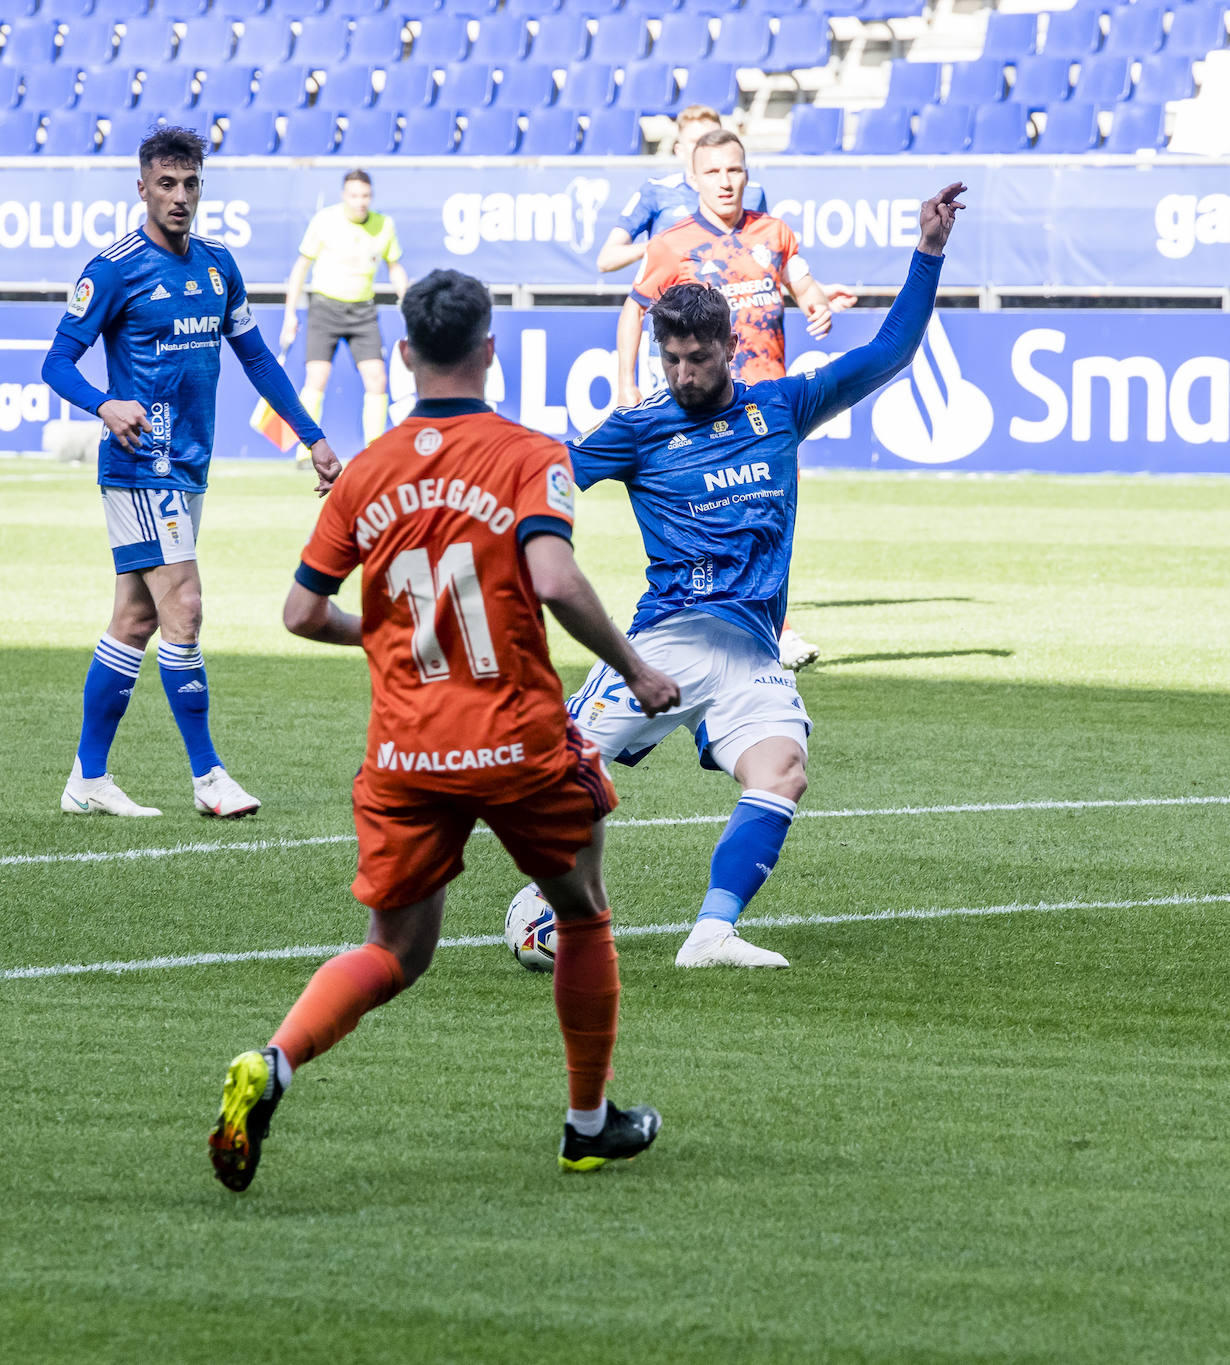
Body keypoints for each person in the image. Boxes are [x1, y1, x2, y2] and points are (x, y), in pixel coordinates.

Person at [208, 268, 681, 1192]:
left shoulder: (366, 473)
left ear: (410, 356)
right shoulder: (529, 454)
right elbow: (551, 577)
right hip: (517, 741)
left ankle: (275, 1060)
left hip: (407, 749)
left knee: (393, 950)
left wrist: (381, 632)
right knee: (581, 911)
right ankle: (588, 1123)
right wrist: (635, 668)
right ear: (490, 349)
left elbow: (301, 613)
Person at [560, 183, 965, 968]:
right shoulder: (639, 429)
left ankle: (711, 932)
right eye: (670, 358)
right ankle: (544, 901)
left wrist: (929, 253)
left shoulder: (780, 407)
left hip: (750, 649)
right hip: (664, 638)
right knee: (563, 768)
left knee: (783, 767)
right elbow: (544, 480)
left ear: (728, 347)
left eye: (697, 357)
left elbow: (890, 354)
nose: (682, 372)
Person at [43, 126, 341, 820]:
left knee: (135, 617)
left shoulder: (217, 266)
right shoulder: (114, 268)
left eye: (191, 184)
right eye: (167, 184)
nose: (180, 197)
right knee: (186, 608)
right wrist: (104, 403)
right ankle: (210, 777)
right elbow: (57, 361)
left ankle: (88, 778)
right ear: (142, 188)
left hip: (191, 466)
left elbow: (259, 359)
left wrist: (314, 437)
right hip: (143, 465)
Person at [616, 129, 856, 672]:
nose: (726, 182)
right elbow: (634, 310)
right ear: (693, 179)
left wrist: (817, 306)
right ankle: (726, 624)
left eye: (735, 170)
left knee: (771, 521)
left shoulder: (774, 233)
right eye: (714, 172)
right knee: (718, 522)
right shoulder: (672, 243)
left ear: (748, 174)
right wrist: (626, 384)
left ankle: (771, 625)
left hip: (767, 411)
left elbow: (804, 283)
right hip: (704, 414)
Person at [280, 169, 410, 457]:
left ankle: (373, 451)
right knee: (317, 378)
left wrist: (409, 304)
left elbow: (395, 267)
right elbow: (301, 266)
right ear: (344, 196)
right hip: (325, 307)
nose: (360, 201)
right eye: (354, 195)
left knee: (377, 379)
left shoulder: (384, 225)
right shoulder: (325, 220)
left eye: (365, 195)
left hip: (363, 310)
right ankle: (307, 448)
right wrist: (290, 314)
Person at [594, 104, 770, 277]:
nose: (706, 148)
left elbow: (766, 253)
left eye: (713, 139)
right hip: (672, 301)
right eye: (697, 142)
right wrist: (665, 245)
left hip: (728, 301)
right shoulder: (657, 191)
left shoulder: (752, 193)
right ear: (679, 150)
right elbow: (606, 260)